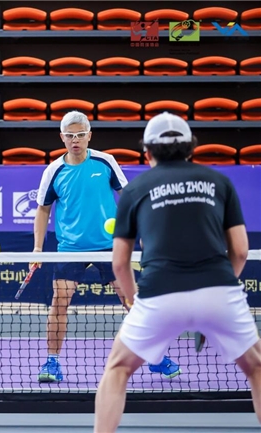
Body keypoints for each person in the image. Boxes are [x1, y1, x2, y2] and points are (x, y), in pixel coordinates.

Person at [94, 112, 261, 432]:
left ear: (147, 151)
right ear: (191, 148)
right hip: (218, 289)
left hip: (159, 293)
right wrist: (222, 288)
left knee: (117, 369)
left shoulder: (135, 190)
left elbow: (119, 264)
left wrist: (134, 300)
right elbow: (240, 251)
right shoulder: (219, 182)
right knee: (256, 367)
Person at [32, 111, 181, 383]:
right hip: (71, 248)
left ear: (89, 135)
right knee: (59, 302)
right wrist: (37, 249)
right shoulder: (53, 171)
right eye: (70, 136)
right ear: (62, 137)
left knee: (132, 301)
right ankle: (52, 362)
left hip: (109, 246)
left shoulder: (105, 162)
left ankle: (156, 357)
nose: (75, 140)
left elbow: (129, 198)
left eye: (80, 135)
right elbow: (43, 210)